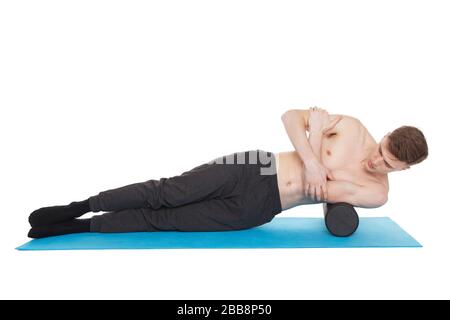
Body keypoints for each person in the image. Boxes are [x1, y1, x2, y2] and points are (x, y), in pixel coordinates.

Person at [27, 107, 428, 238]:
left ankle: (80, 228)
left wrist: (317, 138)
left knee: (169, 220)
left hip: (260, 208)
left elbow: (324, 188)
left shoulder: (377, 194)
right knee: (167, 191)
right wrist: (310, 157)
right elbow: (291, 117)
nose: (376, 162)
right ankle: (80, 205)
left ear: (404, 169)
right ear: (387, 134)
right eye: (381, 150)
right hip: (255, 165)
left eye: (389, 164)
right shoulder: (355, 128)